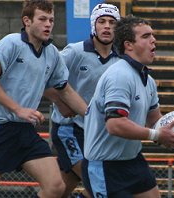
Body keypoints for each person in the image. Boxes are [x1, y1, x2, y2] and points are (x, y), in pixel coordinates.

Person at [0, 1, 87, 198]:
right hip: (1, 129)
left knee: (56, 187)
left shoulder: (51, 53)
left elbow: (64, 90)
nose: (48, 24)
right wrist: (18, 109)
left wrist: (91, 115)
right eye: (42, 19)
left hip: (26, 132)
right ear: (27, 21)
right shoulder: (12, 43)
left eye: (51, 20)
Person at [82, 15, 174, 198]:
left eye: (153, 35)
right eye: (146, 36)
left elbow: (155, 120)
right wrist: (157, 135)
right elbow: (115, 125)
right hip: (105, 165)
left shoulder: (148, 81)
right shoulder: (120, 76)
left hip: (132, 160)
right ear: (128, 45)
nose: (153, 40)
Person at [43, 3, 121, 197]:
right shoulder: (74, 52)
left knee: (59, 190)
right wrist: (61, 103)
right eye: (102, 21)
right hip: (70, 130)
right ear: (93, 25)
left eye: (112, 22)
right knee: (100, 184)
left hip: (98, 134)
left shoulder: (120, 60)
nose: (107, 26)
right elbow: (42, 79)